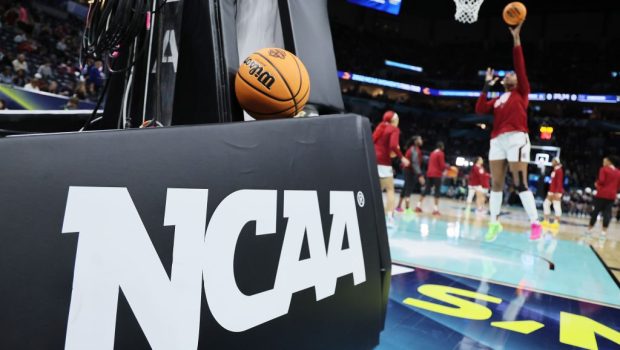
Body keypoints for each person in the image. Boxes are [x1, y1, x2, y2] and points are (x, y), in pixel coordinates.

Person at [475, 21, 541, 242]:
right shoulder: (497, 99)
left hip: (516, 138)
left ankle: (535, 223)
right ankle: (494, 222)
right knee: (495, 184)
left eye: (513, 74)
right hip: (497, 140)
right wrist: (486, 85)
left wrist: (516, 39)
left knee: (520, 183)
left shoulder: (522, 92)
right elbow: (479, 109)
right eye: (509, 74)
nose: (511, 74)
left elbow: (520, 65)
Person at [373, 110, 410, 226]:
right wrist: (402, 157)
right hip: (384, 162)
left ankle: (371, 215)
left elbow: (373, 142)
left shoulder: (380, 127)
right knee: (390, 190)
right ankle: (389, 217)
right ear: (393, 120)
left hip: (372, 161)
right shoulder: (394, 129)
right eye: (397, 118)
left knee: (376, 190)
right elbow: (393, 146)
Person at [587, 156, 620, 239]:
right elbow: (618, 185)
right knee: (607, 213)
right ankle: (603, 232)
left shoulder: (603, 169)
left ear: (609, 162)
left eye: (604, 161)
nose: (603, 163)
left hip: (602, 194)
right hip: (612, 195)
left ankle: (589, 230)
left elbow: (601, 180)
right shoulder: (618, 172)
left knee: (596, 211)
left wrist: (596, 184)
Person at [416, 141, 448, 216]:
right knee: (437, 191)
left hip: (429, 174)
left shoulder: (432, 153)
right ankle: (435, 209)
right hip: (437, 174)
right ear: (442, 147)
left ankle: (418, 206)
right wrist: (448, 168)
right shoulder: (441, 153)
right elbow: (442, 165)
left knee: (426, 190)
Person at [396, 135, 425, 213]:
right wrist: (420, 175)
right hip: (410, 171)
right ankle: (407, 209)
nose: (421, 140)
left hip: (407, 170)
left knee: (405, 188)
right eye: (420, 139)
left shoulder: (412, 149)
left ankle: (398, 207)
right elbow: (415, 164)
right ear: (416, 141)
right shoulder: (414, 150)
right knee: (408, 189)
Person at [542, 158, 564, 229]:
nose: (551, 162)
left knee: (556, 206)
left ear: (556, 162)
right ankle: (546, 221)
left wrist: (557, 192)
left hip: (556, 192)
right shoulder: (555, 170)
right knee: (546, 204)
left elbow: (559, 182)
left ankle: (556, 222)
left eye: (553, 161)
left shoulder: (559, 170)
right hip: (551, 191)